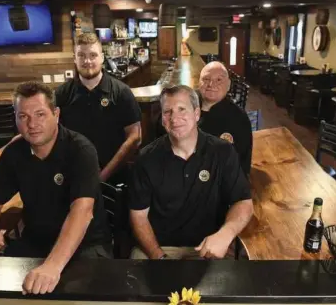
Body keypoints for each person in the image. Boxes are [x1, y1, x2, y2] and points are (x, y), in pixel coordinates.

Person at [0, 82, 112, 295]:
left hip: (86, 244)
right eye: (23, 117)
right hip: (35, 241)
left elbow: (81, 213)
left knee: (75, 296)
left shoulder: (81, 149)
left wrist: (52, 265)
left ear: (56, 114)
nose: (32, 124)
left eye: (40, 114)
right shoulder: (14, 152)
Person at [128, 85, 253, 260]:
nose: (174, 118)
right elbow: (138, 216)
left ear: (196, 114)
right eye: (167, 112)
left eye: (182, 109)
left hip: (208, 247)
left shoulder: (222, 151)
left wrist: (226, 234)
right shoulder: (146, 158)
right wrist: (159, 257)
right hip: (159, 247)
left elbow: (243, 202)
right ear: (162, 119)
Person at [55, 33, 142, 185]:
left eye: (93, 55)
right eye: (81, 55)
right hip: (73, 178)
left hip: (114, 179)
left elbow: (135, 137)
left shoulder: (121, 92)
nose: (87, 61)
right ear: (74, 59)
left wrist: (103, 176)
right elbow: (52, 133)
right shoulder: (62, 94)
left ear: (102, 57)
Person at [198, 61, 253, 176]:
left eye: (219, 80)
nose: (211, 84)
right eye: (206, 79)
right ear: (199, 83)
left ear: (228, 85)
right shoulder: (188, 110)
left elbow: (240, 164)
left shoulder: (238, 119)